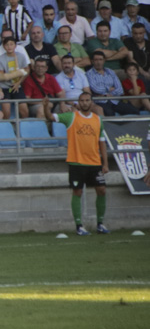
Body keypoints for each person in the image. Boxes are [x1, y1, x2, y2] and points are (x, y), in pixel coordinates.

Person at [42, 94, 109, 236]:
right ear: (78, 103)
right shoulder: (71, 117)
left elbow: (101, 142)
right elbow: (50, 117)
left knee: (102, 190)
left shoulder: (98, 120)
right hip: (76, 161)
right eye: (82, 101)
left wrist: (105, 163)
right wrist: (45, 107)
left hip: (94, 162)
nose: (85, 103)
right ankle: (79, 225)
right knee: (77, 192)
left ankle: (100, 224)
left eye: (87, 100)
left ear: (91, 102)